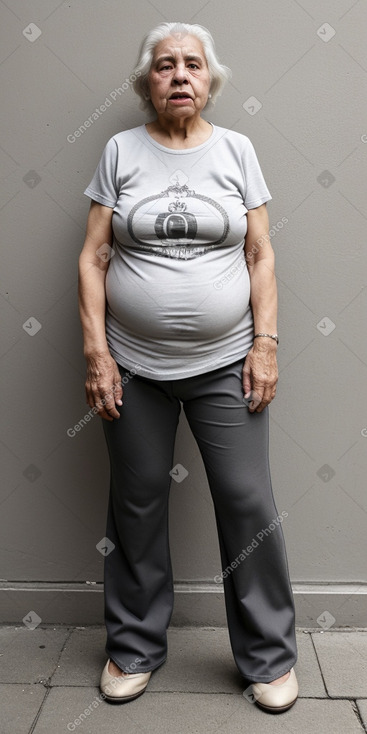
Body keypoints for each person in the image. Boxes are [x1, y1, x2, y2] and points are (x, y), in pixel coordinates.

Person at [78, 21, 298, 714]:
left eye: (192, 65)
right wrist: (98, 353)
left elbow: (260, 255)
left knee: (246, 501)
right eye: (165, 64)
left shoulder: (236, 149)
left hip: (226, 361)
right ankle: (134, 647)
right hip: (134, 365)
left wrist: (265, 345)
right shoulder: (120, 150)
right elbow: (92, 256)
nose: (179, 75)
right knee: (137, 501)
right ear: (147, 81)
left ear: (210, 79)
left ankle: (267, 658)